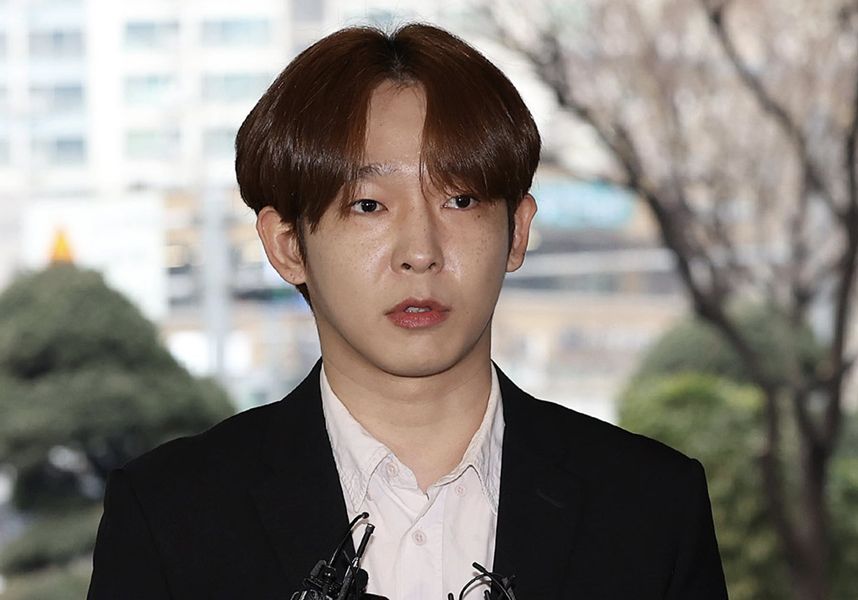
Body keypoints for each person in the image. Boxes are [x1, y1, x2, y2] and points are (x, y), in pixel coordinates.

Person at [88, 23, 728, 600]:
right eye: (368, 205)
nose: (420, 252)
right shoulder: (171, 516)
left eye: (461, 200)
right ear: (287, 245)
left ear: (518, 231)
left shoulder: (651, 507)